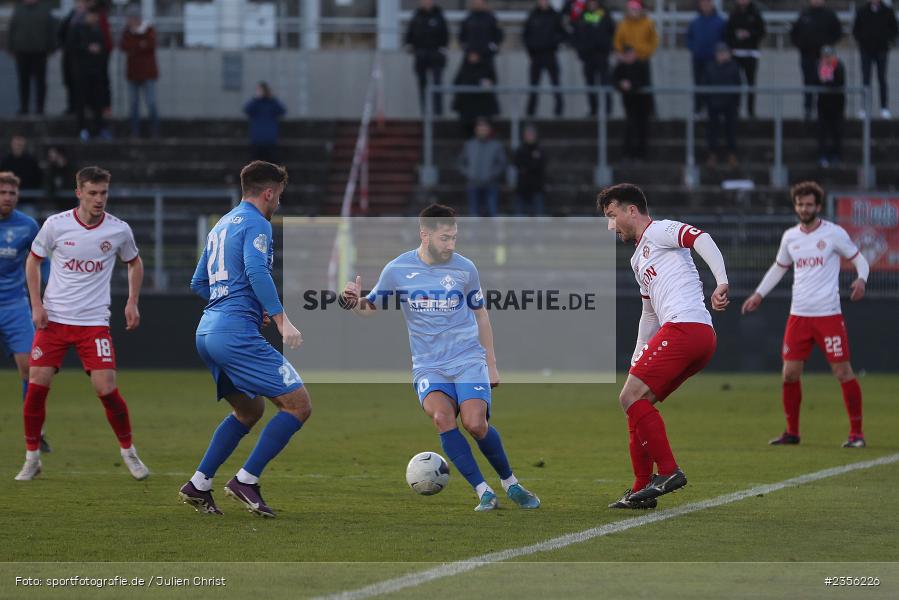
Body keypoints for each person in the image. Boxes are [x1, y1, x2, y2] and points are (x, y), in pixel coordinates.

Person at [340, 204, 541, 512]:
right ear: (425, 235)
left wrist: (491, 364)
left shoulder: (465, 268)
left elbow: (481, 315)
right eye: (444, 238)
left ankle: (511, 483)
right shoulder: (397, 269)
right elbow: (370, 308)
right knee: (442, 418)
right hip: (429, 365)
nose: (450, 245)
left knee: (475, 424)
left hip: (467, 358)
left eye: (454, 237)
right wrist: (354, 302)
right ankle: (484, 492)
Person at [179, 161, 308, 517]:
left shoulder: (221, 224)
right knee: (298, 405)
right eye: (279, 196)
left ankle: (199, 484)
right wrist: (281, 320)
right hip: (234, 333)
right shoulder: (257, 223)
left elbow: (198, 282)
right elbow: (255, 270)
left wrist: (239, 304)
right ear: (268, 192)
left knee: (249, 410)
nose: (278, 202)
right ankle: (245, 480)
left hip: (207, 331)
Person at [597, 183, 729, 509]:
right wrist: (638, 355)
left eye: (612, 215)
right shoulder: (637, 259)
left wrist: (722, 281)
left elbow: (701, 238)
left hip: (686, 328)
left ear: (632, 210)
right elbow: (649, 313)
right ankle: (641, 489)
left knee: (629, 398)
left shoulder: (659, 230)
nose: (611, 226)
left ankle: (669, 472)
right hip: (690, 334)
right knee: (636, 403)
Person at [15, 166, 149, 482]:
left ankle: (128, 451)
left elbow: (135, 262)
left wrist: (132, 301)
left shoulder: (118, 230)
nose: (99, 199)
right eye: (92, 193)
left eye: (103, 193)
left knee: (107, 389)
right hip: (54, 321)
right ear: (79, 193)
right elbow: (33, 260)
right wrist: (36, 304)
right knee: (36, 387)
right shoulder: (56, 225)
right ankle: (32, 458)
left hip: (93, 323)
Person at [741, 181, 869, 449]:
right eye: (800, 204)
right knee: (789, 374)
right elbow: (779, 268)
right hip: (798, 315)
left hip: (828, 314)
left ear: (818, 206)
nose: (804, 208)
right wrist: (758, 294)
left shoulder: (834, 233)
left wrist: (861, 279)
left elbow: (859, 259)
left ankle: (856, 434)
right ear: (796, 206)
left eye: (809, 204)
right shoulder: (790, 237)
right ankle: (792, 432)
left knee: (842, 371)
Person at [0, 172, 50, 453]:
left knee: (31, 368)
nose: (7, 197)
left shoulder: (27, 225)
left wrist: (48, 290)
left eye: (12, 193)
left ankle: (35, 433)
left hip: (14, 304)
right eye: (2, 192)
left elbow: (43, 261)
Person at [790, 0, 842, 120]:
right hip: (807, 56)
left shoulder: (830, 15)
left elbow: (838, 32)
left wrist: (828, 46)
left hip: (824, 58)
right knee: (808, 82)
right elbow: (794, 33)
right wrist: (801, 45)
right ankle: (808, 109)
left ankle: (824, 112)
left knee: (825, 82)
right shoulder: (804, 14)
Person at [8, 0, 57, 116]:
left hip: (40, 51)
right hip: (22, 51)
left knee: (40, 81)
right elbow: (12, 29)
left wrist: (52, 47)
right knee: (23, 81)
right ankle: (24, 108)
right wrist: (11, 47)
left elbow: (51, 30)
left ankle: (40, 108)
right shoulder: (18, 9)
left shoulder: (45, 10)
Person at [70, 7, 111, 141]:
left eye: (96, 16)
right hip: (81, 72)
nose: (94, 19)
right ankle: (82, 129)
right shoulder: (77, 29)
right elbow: (72, 47)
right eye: (92, 16)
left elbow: (104, 48)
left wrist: (99, 51)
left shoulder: (97, 30)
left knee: (97, 101)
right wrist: (87, 48)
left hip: (96, 72)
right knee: (81, 101)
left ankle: (99, 128)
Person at [852, 0, 898, 119]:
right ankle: (865, 108)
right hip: (866, 50)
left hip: (882, 50)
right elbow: (856, 30)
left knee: (882, 79)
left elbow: (894, 29)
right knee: (866, 80)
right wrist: (862, 40)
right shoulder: (862, 11)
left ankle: (884, 108)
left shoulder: (888, 11)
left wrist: (887, 40)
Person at [120, 5, 159, 137]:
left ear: (136, 18)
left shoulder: (149, 30)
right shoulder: (127, 32)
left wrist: (136, 46)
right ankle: (135, 132)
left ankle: (154, 131)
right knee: (133, 104)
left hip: (148, 73)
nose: (128, 21)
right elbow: (124, 46)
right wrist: (140, 45)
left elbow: (150, 45)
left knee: (151, 103)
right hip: (133, 73)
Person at [571, 0, 616, 116]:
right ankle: (593, 110)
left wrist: (608, 48)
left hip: (602, 55)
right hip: (588, 56)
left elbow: (613, 33)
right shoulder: (582, 16)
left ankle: (607, 111)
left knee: (605, 84)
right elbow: (576, 35)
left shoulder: (605, 15)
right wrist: (580, 51)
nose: (592, 4)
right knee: (590, 85)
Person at [405, 0, 449, 117]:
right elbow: (410, 33)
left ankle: (438, 112)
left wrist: (442, 50)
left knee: (437, 83)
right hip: (421, 55)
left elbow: (445, 34)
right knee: (422, 85)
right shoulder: (416, 16)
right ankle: (424, 112)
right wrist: (410, 45)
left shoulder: (439, 16)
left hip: (436, 55)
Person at [523, 0, 567, 117]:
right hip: (536, 56)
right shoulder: (532, 15)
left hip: (550, 54)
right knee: (533, 86)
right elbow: (526, 35)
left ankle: (559, 112)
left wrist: (554, 42)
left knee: (556, 84)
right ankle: (530, 114)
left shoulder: (555, 16)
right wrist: (531, 49)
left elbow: (563, 34)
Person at [724, 0, 766, 119]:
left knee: (751, 83)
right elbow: (728, 33)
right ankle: (735, 110)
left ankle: (750, 111)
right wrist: (734, 42)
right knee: (734, 83)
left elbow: (762, 32)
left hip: (751, 54)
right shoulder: (733, 14)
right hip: (736, 54)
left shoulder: (756, 14)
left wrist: (749, 34)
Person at [458, 118, 507, 217]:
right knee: (474, 214)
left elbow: (502, 163)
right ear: (476, 130)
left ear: (489, 130)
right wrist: (469, 173)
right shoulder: (469, 145)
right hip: (473, 184)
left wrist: (492, 174)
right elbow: (461, 162)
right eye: (480, 128)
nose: (482, 131)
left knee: (492, 212)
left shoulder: (496, 145)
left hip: (491, 184)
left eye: (484, 128)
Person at [703, 43, 742, 167]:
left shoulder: (734, 67)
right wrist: (707, 102)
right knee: (712, 131)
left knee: (731, 130)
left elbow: (738, 85)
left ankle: (732, 155)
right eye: (720, 53)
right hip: (713, 103)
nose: (722, 55)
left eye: (724, 52)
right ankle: (712, 155)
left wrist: (736, 103)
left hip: (729, 104)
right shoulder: (710, 67)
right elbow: (705, 84)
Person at [686, 0, 725, 116]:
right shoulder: (695, 22)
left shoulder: (720, 22)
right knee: (698, 84)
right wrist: (694, 48)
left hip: (713, 60)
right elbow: (688, 37)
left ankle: (713, 111)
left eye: (708, 2)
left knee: (714, 85)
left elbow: (724, 39)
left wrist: (719, 54)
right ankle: (698, 109)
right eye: (703, 3)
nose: (706, 5)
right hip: (698, 59)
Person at [613, 45, 652, 161]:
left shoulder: (641, 65)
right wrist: (621, 84)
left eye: (631, 54)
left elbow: (644, 82)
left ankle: (641, 155)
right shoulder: (621, 67)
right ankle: (627, 154)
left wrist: (630, 85)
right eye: (628, 55)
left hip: (642, 103)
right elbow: (614, 80)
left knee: (641, 128)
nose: (630, 57)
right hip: (629, 103)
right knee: (630, 127)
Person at [451, 51, 500, 136]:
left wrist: (487, 83)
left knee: (484, 127)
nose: (473, 58)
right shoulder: (464, 68)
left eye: (475, 55)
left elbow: (493, 81)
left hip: (483, 105)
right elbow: (456, 83)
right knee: (467, 128)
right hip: (467, 106)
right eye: (471, 55)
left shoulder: (486, 68)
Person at [815, 46, 846, 167]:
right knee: (822, 132)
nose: (827, 59)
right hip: (823, 105)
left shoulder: (839, 66)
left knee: (836, 131)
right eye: (825, 56)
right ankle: (822, 156)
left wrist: (829, 76)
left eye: (829, 56)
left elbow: (839, 81)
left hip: (837, 105)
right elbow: (816, 81)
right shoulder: (818, 65)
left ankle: (836, 156)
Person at [58, 0, 89, 115]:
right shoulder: (69, 18)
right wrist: (63, 46)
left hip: (83, 58)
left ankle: (83, 106)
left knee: (82, 84)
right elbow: (60, 33)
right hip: (69, 57)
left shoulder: (88, 19)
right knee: (70, 82)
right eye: (77, 3)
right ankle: (72, 106)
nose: (79, 5)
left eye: (81, 3)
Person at [243, 82, 286, 163]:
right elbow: (246, 109)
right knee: (255, 163)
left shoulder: (272, 103)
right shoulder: (256, 103)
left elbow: (282, 110)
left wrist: (272, 98)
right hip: (257, 139)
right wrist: (256, 98)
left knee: (271, 162)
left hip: (270, 139)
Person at [513, 125, 547, 216]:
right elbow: (518, 164)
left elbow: (539, 166)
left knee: (539, 216)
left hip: (536, 188)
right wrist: (532, 162)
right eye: (527, 134)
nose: (529, 136)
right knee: (519, 217)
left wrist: (527, 166)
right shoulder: (520, 150)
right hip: (522, 188)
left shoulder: (540, 150)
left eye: (531, 134)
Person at [458, 0, 504, 66]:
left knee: (487, 72)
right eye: (475, 3)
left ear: (484, 4)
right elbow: (462, 36)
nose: (477, 5)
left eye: (479, 3)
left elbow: (498, 35)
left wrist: (491, 48)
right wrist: (467, 50)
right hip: (470, 55)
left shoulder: (491, 18)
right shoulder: (468, 18)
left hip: (487, 55)